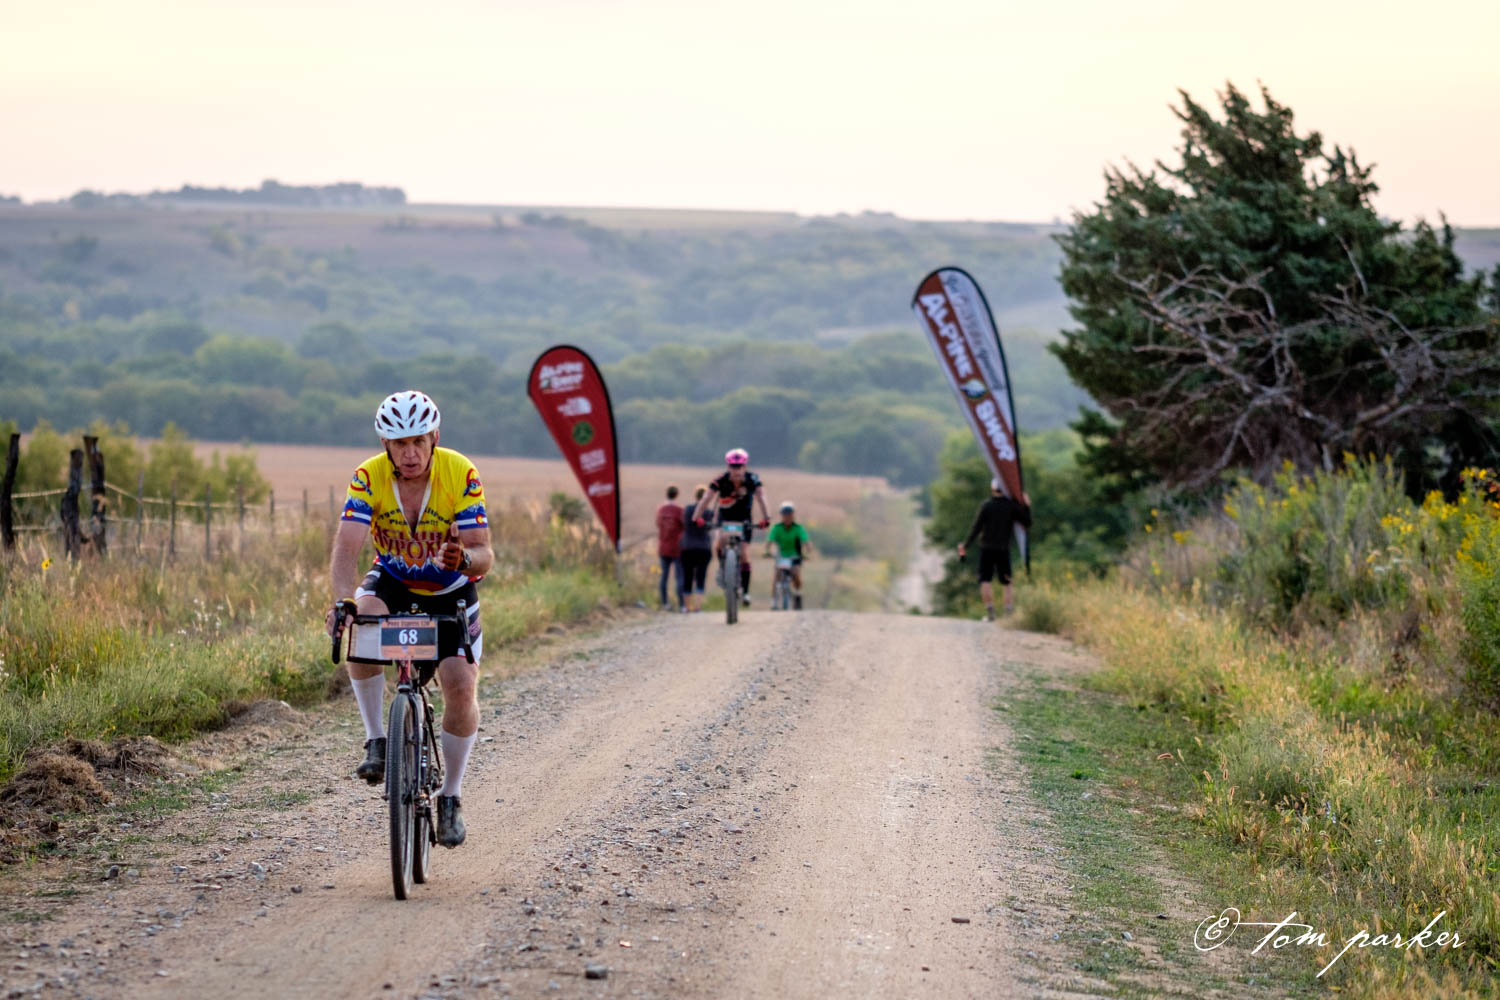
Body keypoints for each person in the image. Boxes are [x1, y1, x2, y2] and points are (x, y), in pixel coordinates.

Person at [324, 390, 494, 848]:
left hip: (450, 589)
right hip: (394, 580)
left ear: (434, 437)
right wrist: (342, 600)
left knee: (460, 685)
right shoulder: (368, 476)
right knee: (360, 624)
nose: (411, 453)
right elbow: (346, 548)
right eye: (400, 444)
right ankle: (377, 739)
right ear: (386, 445)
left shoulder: (460, 472)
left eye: (418, 441)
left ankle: (450, 796)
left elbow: (484, 553)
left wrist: (464, 559)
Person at [695, 448, 771, 607]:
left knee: (744, 553)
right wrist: (696, 517)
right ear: (728, 467)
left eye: (739, 467)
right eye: (733, 467)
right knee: (719, 542)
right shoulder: (720, 479)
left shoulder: (752, 479)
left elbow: (761, 497)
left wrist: (766, 518)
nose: (736, 470)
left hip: (744, 519)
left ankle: (746, 592)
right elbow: (707, 497)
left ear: (745, 467)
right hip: (725, 518)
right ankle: (723, 568)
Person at [956, 477, 1032, 622]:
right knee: (1007, 582)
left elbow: (976, 528)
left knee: (985, 580)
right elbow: (1027, 523)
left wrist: (965, 546)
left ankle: (991, 614)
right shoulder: (1011, 506)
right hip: (1003, 549)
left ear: (993, 489)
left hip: (986, 548)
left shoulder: (987, 506)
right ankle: (1008, 614)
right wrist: (1027, 506)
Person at [764, 501, 814, 609]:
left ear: (793, 515)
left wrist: (808, 549)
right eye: (785, 515)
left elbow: (805, 540)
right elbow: (770, 540)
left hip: (794, 556)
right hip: (781, 556)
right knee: (776, 576)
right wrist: (767, 550)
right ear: (782, 516)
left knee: (796, 574)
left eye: (789, 514)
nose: (787, 517)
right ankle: (773, 601)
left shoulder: (797, 528)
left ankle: (797, 593)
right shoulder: (777, 528)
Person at [679, 485, 713, 612]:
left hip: (687, 546)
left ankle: (686, 607)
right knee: (701, 576)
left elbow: (684, 524)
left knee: (687, 576)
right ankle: (698, 607)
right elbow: (711, 527)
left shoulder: (688, 509)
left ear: (695, 496)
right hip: (704, 547)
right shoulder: (708, 512)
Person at [655, 484, 685, 611]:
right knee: (679, 576)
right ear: (677, 495)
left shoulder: (661, 509)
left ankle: (665, 603)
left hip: (663, 547)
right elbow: (684, 526)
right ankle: (682, 604)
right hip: (677, 547)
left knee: (664, 576)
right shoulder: (680, 510)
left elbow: (658, 524)